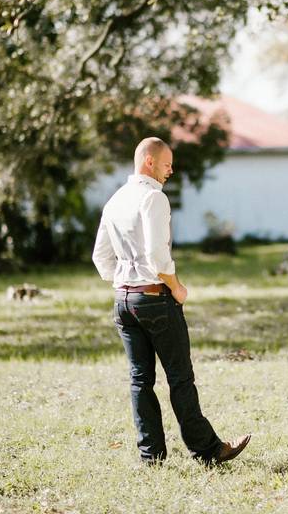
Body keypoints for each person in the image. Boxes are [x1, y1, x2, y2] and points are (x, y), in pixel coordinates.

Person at [92, 137, 251, 465]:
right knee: (180, 377)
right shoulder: (153, 198)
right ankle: (208, 450)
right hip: (154, 299)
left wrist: (125, 281)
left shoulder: (115, 200)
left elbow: (100, 257)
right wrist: (175, 287)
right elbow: (156, 254)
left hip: (123, 301)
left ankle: (151, 456)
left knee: (140, 381)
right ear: (149, 161)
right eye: (167, 164)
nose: (171, 170)